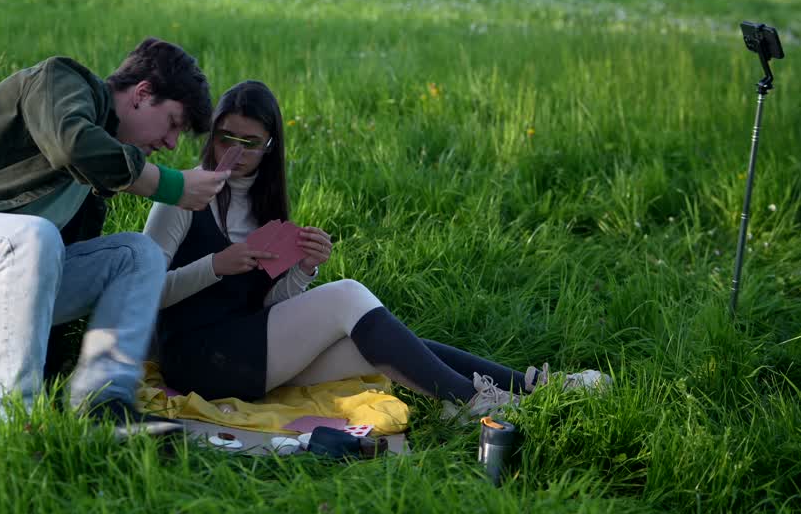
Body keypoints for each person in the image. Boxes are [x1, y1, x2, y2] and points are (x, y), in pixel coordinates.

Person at [143, 80, 609, 422]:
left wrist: (302, 270)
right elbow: (141, 292)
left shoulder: (268, 209)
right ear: (211, 134)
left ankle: (529, 386)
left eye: (251, 143)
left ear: (270, 147)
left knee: (384, 347)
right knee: (347, 295)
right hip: (199, 359)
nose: (237, 151)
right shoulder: (182, 195)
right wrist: (214, 267)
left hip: (250, 349)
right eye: (227, 137)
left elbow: (270, 309)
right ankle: (470, 401)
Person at [0, 38, 230, 438]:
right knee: (33, 235)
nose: (171, 144)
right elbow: (72, 144)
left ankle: (102, 407)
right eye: (173, 123)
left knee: (139, 254)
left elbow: (42, 276)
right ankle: (18, 423)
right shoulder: (60, 81)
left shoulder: (93, 181)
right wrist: (170, 186)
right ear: (142, 94)